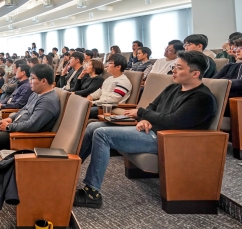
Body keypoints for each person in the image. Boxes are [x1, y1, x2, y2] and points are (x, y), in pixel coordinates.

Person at [73, 51, 217, 208]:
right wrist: (145, 119)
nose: (174, 70)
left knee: (102, 134)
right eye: (174, 66)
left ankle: (91, 193)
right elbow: (152, 107)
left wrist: (142, 114)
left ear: (195, 73)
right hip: (151, 131)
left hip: (168, 140)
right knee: (93, 126)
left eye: (179, 68)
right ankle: (68, 172)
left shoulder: (202, 98)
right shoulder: (173, 88)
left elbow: (172, 121)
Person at [0, 64, 60, 190]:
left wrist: (9, 127)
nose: (29, 81)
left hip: (27, 137)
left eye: (32, 78)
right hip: (18, 128)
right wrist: (10, 118)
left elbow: (32, 126)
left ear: (44, 81)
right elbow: (23, 109)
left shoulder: (48, 101)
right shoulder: (37, 93)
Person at [213, 36, 242, 116]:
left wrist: (224, 80)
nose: (236, 50)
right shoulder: (230, 66)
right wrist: (240, 82)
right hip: (222, 101)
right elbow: (212, 83)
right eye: (237, 47)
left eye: (241, 47)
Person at [87, 54, 132, 119]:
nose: (106, 65)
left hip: (110, 107)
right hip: (100, 105)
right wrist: (91, 96)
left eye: (110, 63)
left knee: (82, 111)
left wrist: (93, 103)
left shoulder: (123, 81)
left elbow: (113, 100)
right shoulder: (109, 78)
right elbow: (100, 91)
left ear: (118, 67)